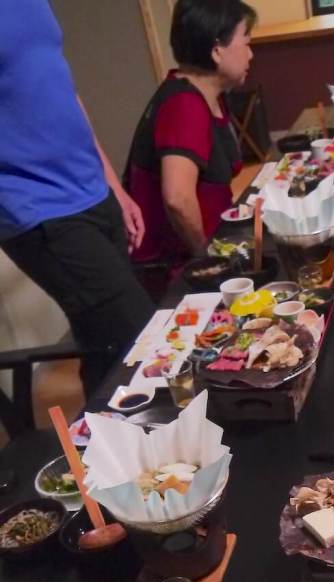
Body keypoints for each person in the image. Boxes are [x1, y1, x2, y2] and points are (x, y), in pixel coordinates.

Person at [0, 0, 155, 394]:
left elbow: (63, 90)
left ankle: (100, 434)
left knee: (105, 351)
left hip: (91, 188)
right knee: (145, 343)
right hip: (37, 207)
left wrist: (112, 184)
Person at [125, 0, 256, 268]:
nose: (251, 54)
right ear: (217, 50)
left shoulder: (210, 96)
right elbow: (178, 199)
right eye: (246, 42)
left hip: (213, 243)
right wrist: (206, 257)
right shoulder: (184, 105)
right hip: (172, 268)